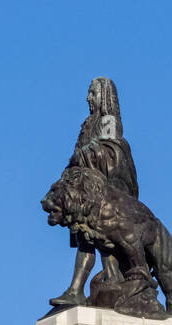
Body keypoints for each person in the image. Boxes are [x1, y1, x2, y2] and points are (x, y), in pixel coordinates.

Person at [49, 77, 139, 309]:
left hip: (103, 195)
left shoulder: (108, 120)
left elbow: (111, 147)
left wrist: (84, 154)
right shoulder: (88, 124)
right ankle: (77, 290)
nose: (88, 98)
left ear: (104, 96)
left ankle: (94, 285)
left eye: (93, 93)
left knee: (102, 241)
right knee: (87, 239)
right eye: (89, 94)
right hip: (85, 195)